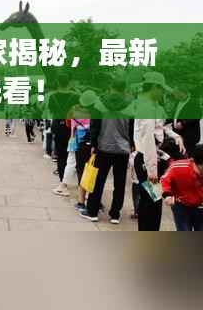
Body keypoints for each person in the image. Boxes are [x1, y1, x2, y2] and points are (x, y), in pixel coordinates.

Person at [133, 72, 185, 231]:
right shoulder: (147, 109)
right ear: (154, 87)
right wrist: (152, 171)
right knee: (150, 203)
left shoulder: (155, 107)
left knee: (153, 201)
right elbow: (148, 140)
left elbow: (161, 127)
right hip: (147, 159)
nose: (163, 92)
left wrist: (176, 136)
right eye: (161, 89)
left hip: (152, 158)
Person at [80, 82, 134, 224]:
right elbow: (132, 129)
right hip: (123, 150)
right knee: (120, 183)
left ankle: (92, 212)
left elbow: (94, 127)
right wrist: (131, 145)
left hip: (103, 148)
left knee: (98, 181)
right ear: (124, 90)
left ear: (110, 88)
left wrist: (93, 144)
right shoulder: (130, 106)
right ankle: (115, 215)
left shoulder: (99, 104)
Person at [161, 144, 203, 231]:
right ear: (193, 161)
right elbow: (164, 179)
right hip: (181, 205)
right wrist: (167, 194)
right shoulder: (177, 167)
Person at [48, 74, 79, 182]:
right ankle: (72, 177)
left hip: (58, 127)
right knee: (72, 154)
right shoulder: (75, 97)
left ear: (58, 82)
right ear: (69, 83)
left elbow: (51, 111)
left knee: (60, 155)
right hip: (71, 128)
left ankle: (62, 180)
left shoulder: (52, 97)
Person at [170, 86, 201, 157]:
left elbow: (197, 116)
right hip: (179, 134)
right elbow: (175, 115)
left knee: (188, 155)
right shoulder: (178, 102)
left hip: (189, 135)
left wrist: (183, 123)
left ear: (182, 93)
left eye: (176, 93)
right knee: (180, 154)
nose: (174, 95)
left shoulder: (193, 102)